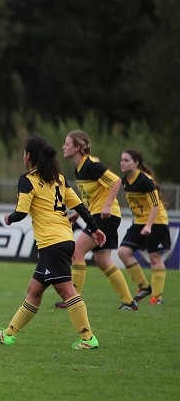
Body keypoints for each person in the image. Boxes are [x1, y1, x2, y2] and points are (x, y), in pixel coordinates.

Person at [0, 136, 106, 350]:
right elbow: (80, 206)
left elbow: (22, 212)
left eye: (24, 154)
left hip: (52, 243)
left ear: (29, 156)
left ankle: (88, 338)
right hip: (64, 239)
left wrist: (9, 218)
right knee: (34, 289)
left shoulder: (28, 180)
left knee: (67, 291)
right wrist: (94, 228)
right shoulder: (58, 178)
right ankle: (8, 334)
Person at [55, 130, 137, 310]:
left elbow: (116, 182)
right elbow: (91, 195)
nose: (63, 147)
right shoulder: (79, 168)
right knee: (102, 260)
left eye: (67, 144)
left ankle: (72, 298)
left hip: (105, 216)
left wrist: (107, 205)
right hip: (100, 215)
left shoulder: (91, 164)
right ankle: (129, 302)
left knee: (77, 252)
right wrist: (78, 213)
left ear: (78, 147)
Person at [117, 149, 170, 305]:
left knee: (155, 258)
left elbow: (155, 205)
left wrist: (148, 226)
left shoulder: (146, 181)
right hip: (140, 221)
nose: (122, 163)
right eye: (121, 160)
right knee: (123, 252)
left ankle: (157, 298)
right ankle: (144, 287)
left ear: (136, 163)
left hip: (156, 221)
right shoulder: (125, 180)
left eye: (126, 160)